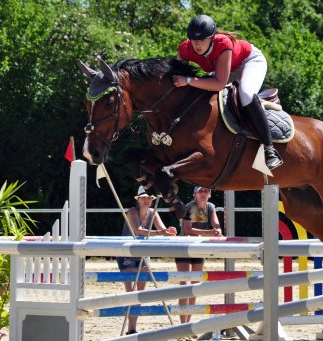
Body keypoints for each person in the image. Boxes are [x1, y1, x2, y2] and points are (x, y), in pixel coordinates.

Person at [173, 14, 283, 171]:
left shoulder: (222, 43)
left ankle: (269, 149)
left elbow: (219, 83)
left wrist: (189, 80)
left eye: (202, 39)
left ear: (211, 38)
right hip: (225, 69)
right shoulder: (185, 48)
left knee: (245, 94)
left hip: (249, 62)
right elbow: (175, 73)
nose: (197, 44)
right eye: (193, 39)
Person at [116, 186, 177, 334]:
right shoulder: (132, 211)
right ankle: (131, 328)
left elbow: (162, 230)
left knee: (140, 293)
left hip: (143, 254)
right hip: (127, 253)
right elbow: (138, 230)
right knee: (131, 292)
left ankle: (132, 328)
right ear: (138, 199)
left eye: (149, 198)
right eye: (144, 197)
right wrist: (161, 232)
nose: (147, 200)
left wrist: (169, 231)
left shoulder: (153, 213)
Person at [175, 186, 222, 324]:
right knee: (185, 285)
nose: (203, 193)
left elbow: (216, 224)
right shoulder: (190, 207)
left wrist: (218, 231)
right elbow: (188, 230)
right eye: (200, 191)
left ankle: (188, 323)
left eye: (206, 191)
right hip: (184, 248)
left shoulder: (210, 206)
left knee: (194, 286)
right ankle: (182, 325)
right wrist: (210, 232)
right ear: (195, 194)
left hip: (198, 247)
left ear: (210, 194)